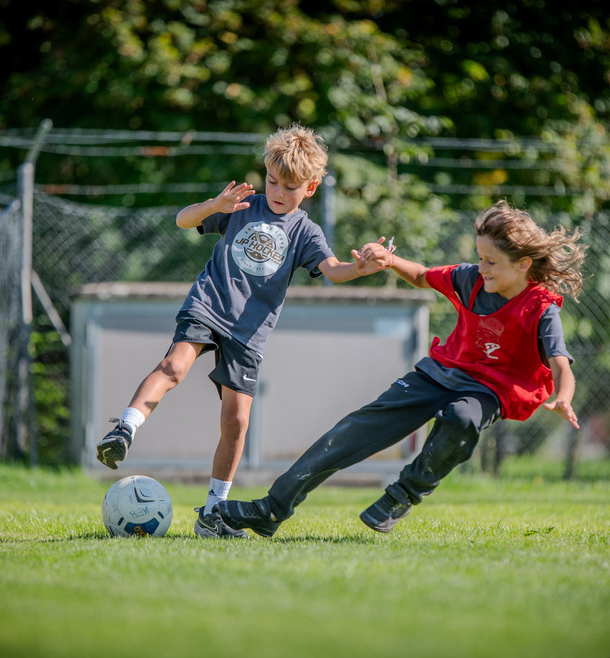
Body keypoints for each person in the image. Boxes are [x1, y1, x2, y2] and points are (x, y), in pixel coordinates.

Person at [215, 200, 587, 537]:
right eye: (480, 257)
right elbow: (424, 276)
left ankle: (403, 495)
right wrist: (390, 260)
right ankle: (272, 508)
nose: (482, 267)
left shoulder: (540, 307)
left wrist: (564, 397)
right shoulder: (470, 278)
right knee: (351, 433)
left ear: (523, 264)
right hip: (439, 373)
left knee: (461, 418)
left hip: (488, 390)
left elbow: (559, 362)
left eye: (491, 261)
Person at [95, 123, 391, 539]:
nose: (277, 192)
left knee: (236, 420)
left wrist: (360, 267)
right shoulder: (242, 205)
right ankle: (125, 429)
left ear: (310, 188)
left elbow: (333, 270)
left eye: (289, 187)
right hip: (208, 304)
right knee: (174, 366)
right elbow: (183, 220)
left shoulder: (306, 231)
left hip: (249, 333)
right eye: (272, 181)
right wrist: (213, 204)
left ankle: (214, 511)